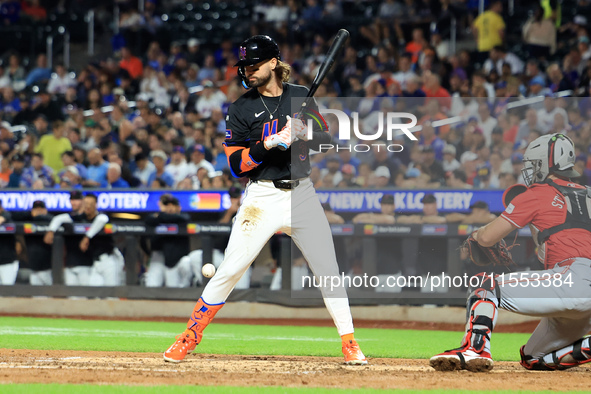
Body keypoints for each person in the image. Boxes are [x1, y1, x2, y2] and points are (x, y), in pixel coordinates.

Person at [163, 35, 366, 365]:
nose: (247, 72)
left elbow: (326, 138)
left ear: (273, 63)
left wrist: (303, 134)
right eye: (244, 67)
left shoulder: (299, 96)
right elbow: (235, 164)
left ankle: (350, 342)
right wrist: (268, 144)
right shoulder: (241, 108)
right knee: (230, 270)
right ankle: (190, 334)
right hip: (262, 196)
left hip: (302, 194)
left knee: (328, 271)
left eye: (253, 65)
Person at [430, 133, 591, 372]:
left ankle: (475, 350)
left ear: (544, 164)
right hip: (579, 286)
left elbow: (486, 238)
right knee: (533, 358)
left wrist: (475, 235)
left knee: (484, 283)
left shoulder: (537, 192)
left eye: (533, 164)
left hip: (570, 277)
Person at [45, 191, 94, 285]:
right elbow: (59, 219)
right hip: (70, 264)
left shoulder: (89, 217)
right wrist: (51, 230)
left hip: (87, 264)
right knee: (72, 298)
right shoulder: (69, 217)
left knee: (88, 296)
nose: (74, 202)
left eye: (77, 200)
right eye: (72, 200)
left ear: (83, 201)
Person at [144, 195, 192, 288]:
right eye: (167, 205)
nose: (169, 208)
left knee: (187, 262)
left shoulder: (183, 217)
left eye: (172, 205)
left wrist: (162, 215)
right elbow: (148, 220)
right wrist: (162, 215)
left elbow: (182, 218)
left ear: (178, 207)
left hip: (181, 260)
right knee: (171, 288)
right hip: (168, 262)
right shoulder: (158, 218)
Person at [12, 200, 53, 285]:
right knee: (36, 295)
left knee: (52, 293)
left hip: (48, 267)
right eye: (36, 209)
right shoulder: (28, 219)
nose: (38, 212)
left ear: (45, 210)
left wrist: (41, 216)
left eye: (41, 209)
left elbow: (53, 218)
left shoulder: (50, 221)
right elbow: (14, 217)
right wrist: (31, 214)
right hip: (32, 267)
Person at [0, 200, 18, 285]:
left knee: (7, 290)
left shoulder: (8, 218)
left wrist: (3, 217)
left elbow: (7, 216)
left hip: (7, 263)